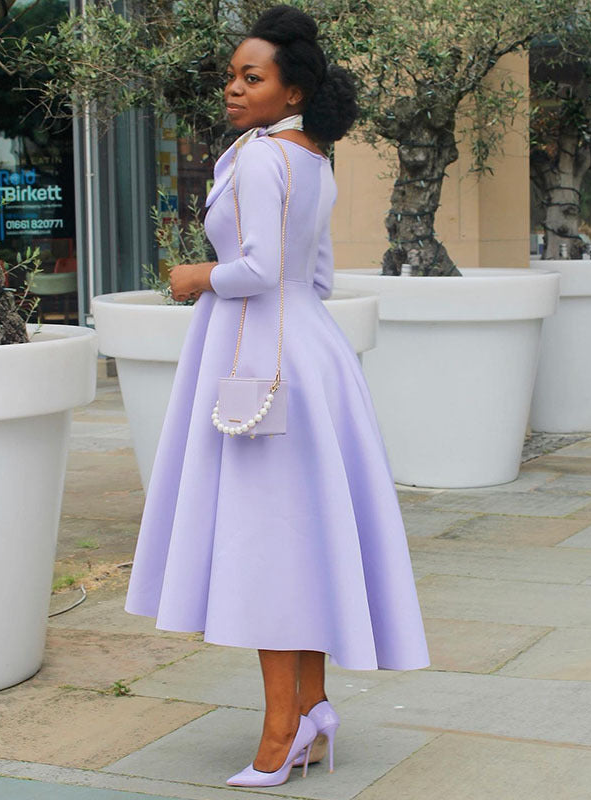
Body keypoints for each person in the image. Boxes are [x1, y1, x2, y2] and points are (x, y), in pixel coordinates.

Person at [123, 3, 430, 789]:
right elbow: (314, 277)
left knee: (268, 548)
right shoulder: (314, 160)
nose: (233, 88)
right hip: (309, 355)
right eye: (231, 76)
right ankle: (312, 713)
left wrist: (194, 276)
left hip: (261, 363)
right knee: (301, 540)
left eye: (250, 77)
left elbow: (259, 272)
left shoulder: (261, 159)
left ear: (291, 91)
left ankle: (282, 730)